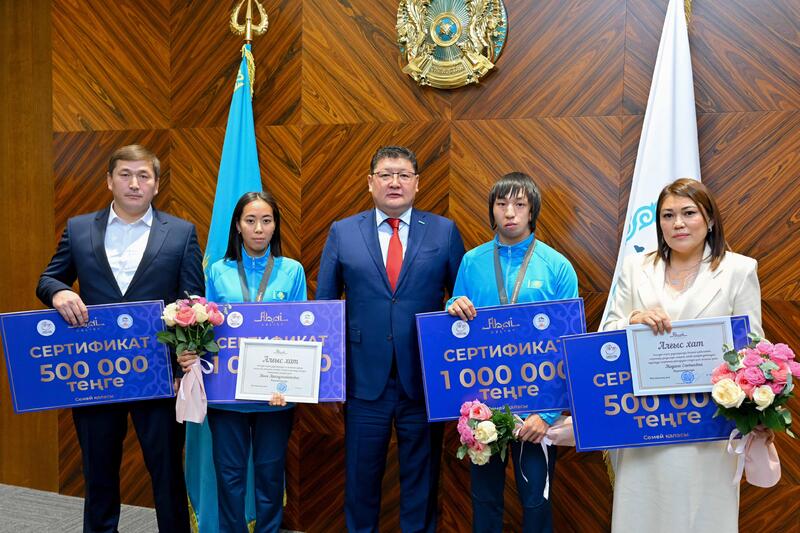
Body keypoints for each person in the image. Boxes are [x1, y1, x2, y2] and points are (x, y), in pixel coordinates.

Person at [36, 144, 203, 533]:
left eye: (144, 175)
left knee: (167, 476)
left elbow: (192, 302)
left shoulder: (181, 233)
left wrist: (184, 366)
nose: (134, 183)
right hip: (96, 375)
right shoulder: (79, 228)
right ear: (109, 180)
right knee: (98, 475)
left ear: (156, 184)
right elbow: (48, 278)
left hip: (159, 376)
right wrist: (58, 292)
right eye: (125, 174)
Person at [601, 178, 763, 533]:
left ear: (710, 219)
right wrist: (633, 320)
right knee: (641, 516)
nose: (678, 223)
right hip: (645, 422)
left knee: (702, 518)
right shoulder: (635, 267)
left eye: (688, 213)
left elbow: (752, 349)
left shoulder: (739, 270)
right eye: (667, 215)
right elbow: (606, 338)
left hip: (707, 424)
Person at [316, 146, 465, 532]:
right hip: (364, 381)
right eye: (385, 174)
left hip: (425, 379)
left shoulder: (444, 231)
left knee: (422, 479)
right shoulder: (343, 231)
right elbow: (326, 309)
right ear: (370, 183)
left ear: (417, 183)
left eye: (403, 175)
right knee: (361, 479)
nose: (394, 182)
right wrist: (330, 381)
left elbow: (464, 301)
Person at [447, 172, 578, 533]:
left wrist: (547, 414)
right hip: (483, 407)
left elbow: (568, 346)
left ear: (532, 211)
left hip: (536, 408)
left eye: (520, 204)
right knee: (485, 500)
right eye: (502, 204)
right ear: (491, 209)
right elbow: (454, 326)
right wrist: (451, 305)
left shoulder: (557, 266)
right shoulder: (471, 262)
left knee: (536, 501)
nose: (510, 212)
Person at [181, 191, 306, 533]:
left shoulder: (292, 271)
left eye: (266, 221)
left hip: (275, 397)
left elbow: (303, 333)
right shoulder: (216, 271)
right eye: (250, 221)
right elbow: (202, 329)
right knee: (230, 476)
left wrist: (292, 385)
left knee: (270, 474)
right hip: (227, 396)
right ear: (237, 225)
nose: (259, 229)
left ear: (275, 225)